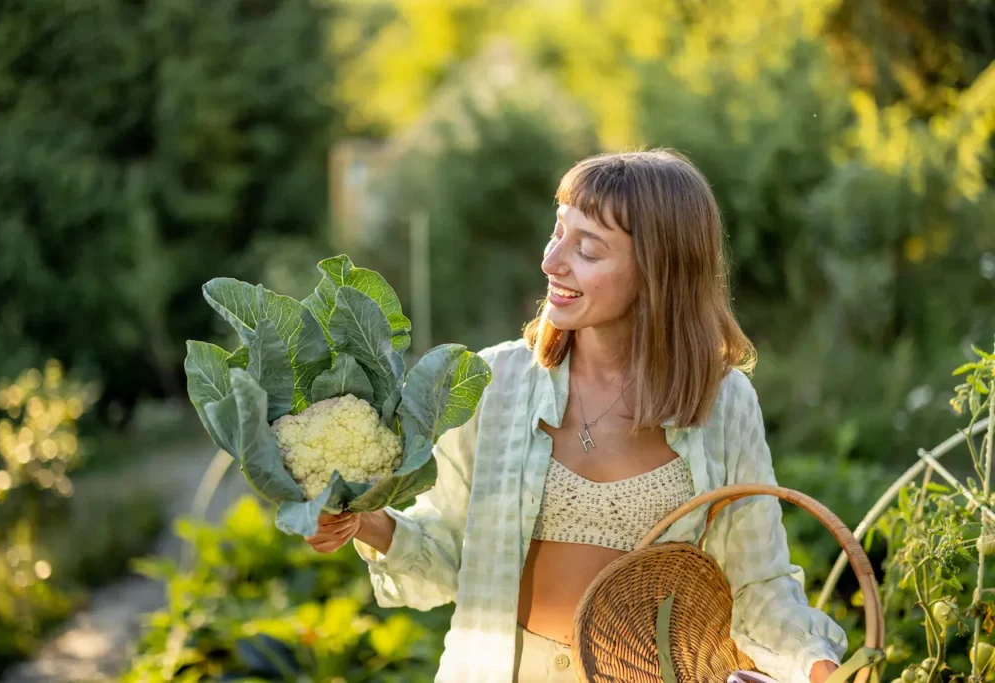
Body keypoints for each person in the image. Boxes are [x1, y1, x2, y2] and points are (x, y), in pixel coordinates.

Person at [306, 149, 848, 683]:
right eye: (557, 232)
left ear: (658, 271)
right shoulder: (492, 384)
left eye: (587, 249)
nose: (551, 261)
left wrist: (820, 668)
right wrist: (366, 522)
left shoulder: (724, 402)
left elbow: (760, 584)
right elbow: (447, 552)